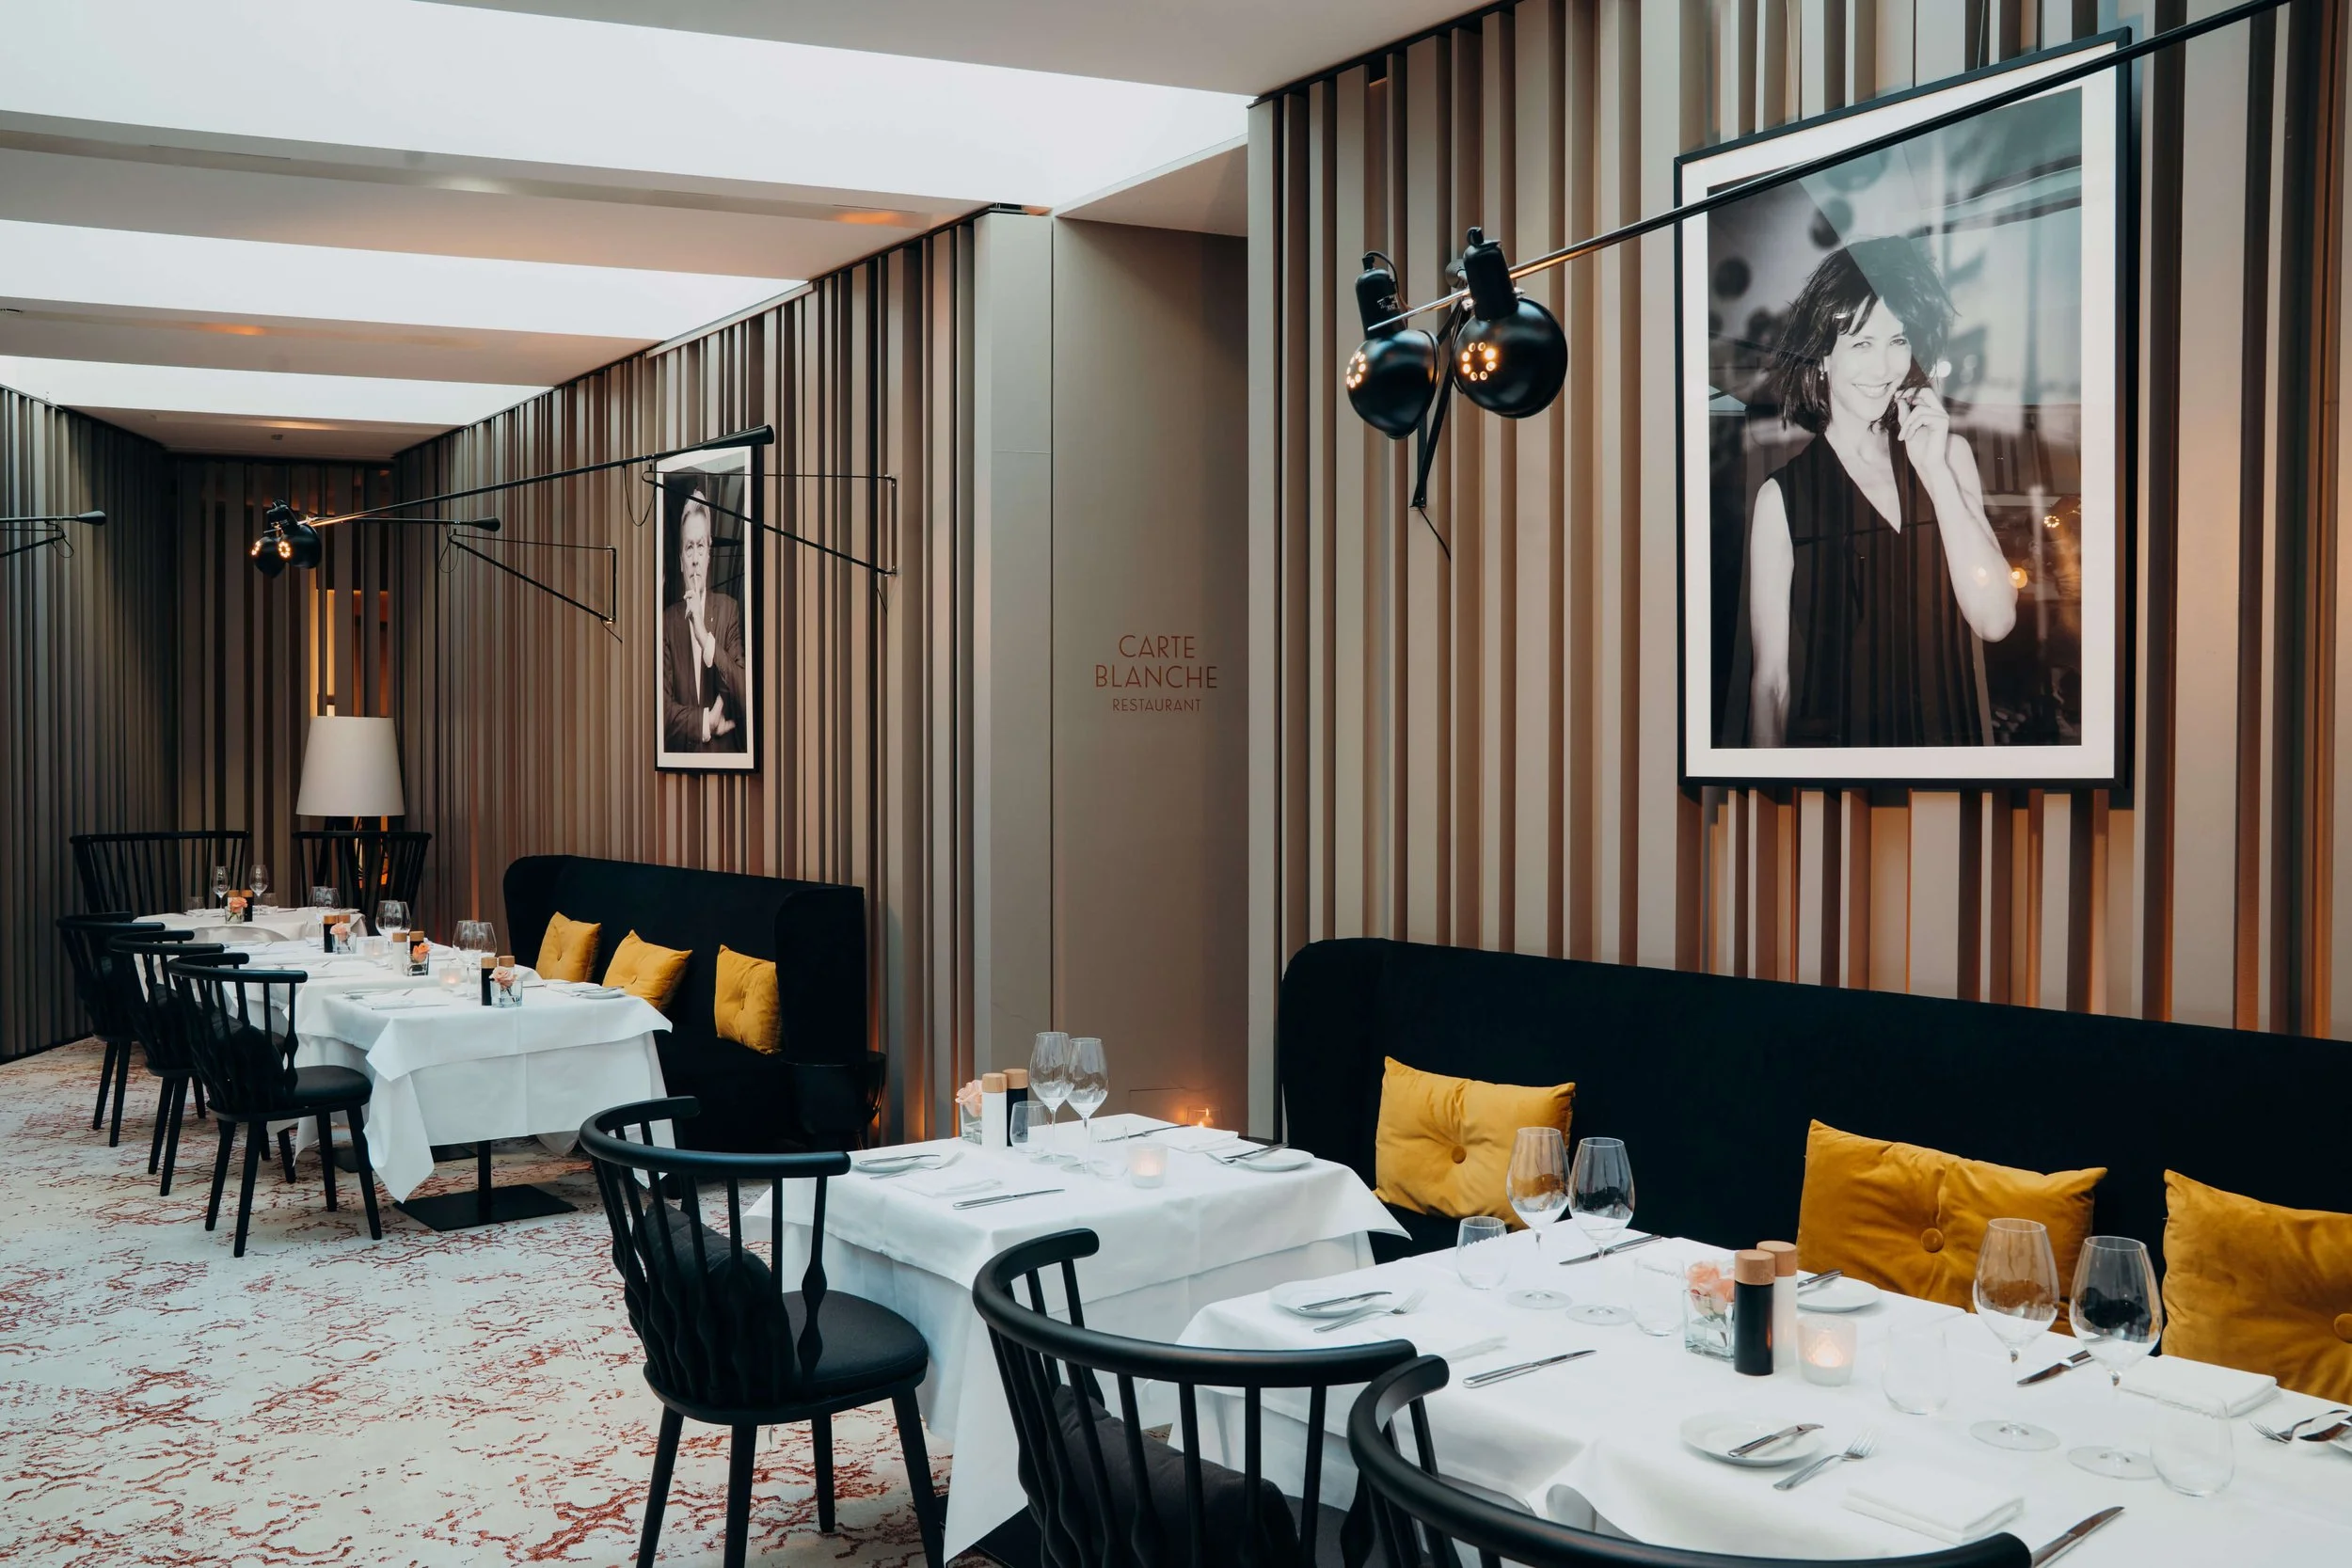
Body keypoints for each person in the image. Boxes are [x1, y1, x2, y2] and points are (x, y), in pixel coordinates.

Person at [1745, 236, 2016, 748]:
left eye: (1897, 342)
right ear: (1823, 357)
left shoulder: (1947, 457)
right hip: (1844, 784)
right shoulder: (1783, 500)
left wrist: (1933, 473)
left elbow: (1996, 620)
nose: (1884, 368)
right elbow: (1772, 686)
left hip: (1952, 765)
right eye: (1862, 344)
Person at [661, 488, 747, 752]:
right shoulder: (667, 622)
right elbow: (662, 712)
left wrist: (704, 636)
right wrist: (705, 722)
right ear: (680, 561)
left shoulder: (728, 610)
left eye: (701, 546)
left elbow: (743, 692)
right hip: (681, 766)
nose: (696, 559)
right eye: (689, 548)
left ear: (710, 554)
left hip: (727, 765)